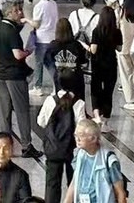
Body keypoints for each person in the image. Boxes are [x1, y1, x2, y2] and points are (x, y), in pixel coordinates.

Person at [0, 3, 43, 158]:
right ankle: (26, 145)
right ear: (9, 13)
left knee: (4, 112)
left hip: (1, 74)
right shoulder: (11, 31)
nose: (20, 13)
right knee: (21, 110)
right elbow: (17, 55)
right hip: (15, 75)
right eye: (17, 10)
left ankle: (5, 144)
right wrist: (29, 51)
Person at [37, 72, 86, 203]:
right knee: (73, 182)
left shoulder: (50, 100)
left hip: (53, 148)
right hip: (72, 149)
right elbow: (81, 128)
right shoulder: (79, 103)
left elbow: (40, 121)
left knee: (52, 184)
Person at [64, 119, 127, 203]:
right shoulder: (79, 155)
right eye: (76, 135)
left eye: (81, 135)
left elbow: (120, 192)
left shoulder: (109, 160)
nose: (77, 139)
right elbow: (74, 182)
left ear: (93, 139)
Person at [80, 6, 122, 133]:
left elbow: (93, 50)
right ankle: (105, 122)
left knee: (95, 90)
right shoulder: (117, 32)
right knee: (108, 93)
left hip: (97, 65)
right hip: (111, 66)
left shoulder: (96, 31)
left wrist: (84, 45)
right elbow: (119, 48)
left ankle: (97, 116)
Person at [31, 0, 59, 96]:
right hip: (52, 37)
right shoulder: (53, 4)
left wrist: (27, 20)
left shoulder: (39, 6)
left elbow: (36, 24)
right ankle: (56, 86)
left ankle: (37, 87)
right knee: (50, 63)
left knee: (39, 63)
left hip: (41, 38)